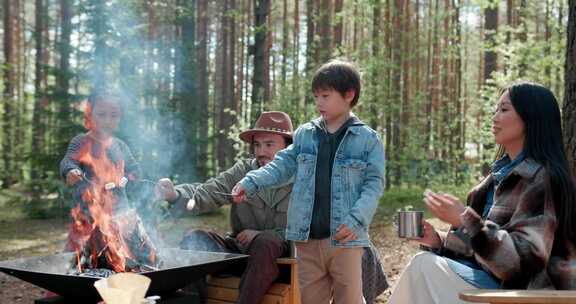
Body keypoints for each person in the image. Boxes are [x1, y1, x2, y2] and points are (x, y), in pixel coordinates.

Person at [388, 82, 576, 304]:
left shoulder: (543, 179)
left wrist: (465, 219)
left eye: (504, 110)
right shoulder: (493, 180)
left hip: (522, 293)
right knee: (425, 263)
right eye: (496, 109)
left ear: (531, 118)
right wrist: (439, 240)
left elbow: (521, 264)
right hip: (485, 284)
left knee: (423, 267)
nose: (494, 117)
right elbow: (480, 250)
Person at [232, 60, 386, 304]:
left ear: (349, 95)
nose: (319, 103)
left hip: (345, 239)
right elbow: (281, 165)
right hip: (306, 240)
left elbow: (373, 185)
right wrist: (250, 182)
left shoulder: (368, 140)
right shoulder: (305, 134)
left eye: (325, 95)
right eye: (316, 96)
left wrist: (356, 219)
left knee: (350, 300)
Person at [156, 111, 295, 304]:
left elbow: (314, 230)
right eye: (257, 144)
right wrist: (175, 194)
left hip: (283, 262)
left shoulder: (304, 177)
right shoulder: (243, 171)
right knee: (195, 238)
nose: (261, 152)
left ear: (288, 147)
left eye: (269, 144)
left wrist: (263, 235)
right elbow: (210, 190)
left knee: (266, 242)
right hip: (241, 254)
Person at [60, 90, 141, 252]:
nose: (107, 120)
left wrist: (129, 178)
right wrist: (71, 171)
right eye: (101, 114)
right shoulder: (81, 142)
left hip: (119, 216)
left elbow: (135, 169)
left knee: (120, 255)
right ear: (90, 114)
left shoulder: (120, 146)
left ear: (120, 118)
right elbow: (68, 161)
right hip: (86, 215)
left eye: (113, 115)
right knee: (79, 256)